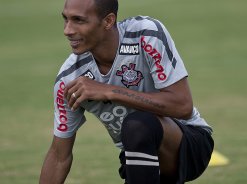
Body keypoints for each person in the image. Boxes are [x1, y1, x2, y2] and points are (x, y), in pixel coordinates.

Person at [39, 0, 214, 183]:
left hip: (189, 142)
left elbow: (183, 106)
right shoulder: (70, 79)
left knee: (136, 124)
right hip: (136, 157)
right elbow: (59, 156)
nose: (67, 30)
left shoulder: (145, 34)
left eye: (78, 20)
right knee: (135, 129)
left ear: (108, 21)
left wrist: (110, 91)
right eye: (66, 19)